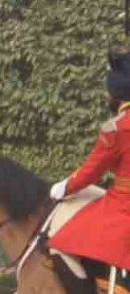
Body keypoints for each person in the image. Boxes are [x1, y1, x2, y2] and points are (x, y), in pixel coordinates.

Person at [33, 51, 130, 269]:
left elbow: (91, 172)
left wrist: (65, 186)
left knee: (62, 239)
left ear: (117, 95)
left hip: (124, 207)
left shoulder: (116, 129)